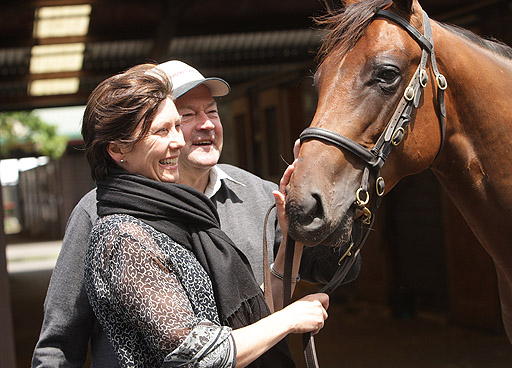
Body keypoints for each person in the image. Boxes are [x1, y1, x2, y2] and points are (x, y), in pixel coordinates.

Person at [32, 61, 361, 367]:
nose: (204, 125)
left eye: (212, 111)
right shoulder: (104, 217)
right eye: (185, 115)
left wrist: (340, 193)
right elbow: (60, 344)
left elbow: (327, 273)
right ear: (121, 146)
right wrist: (288, 318)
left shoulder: (259, 194)